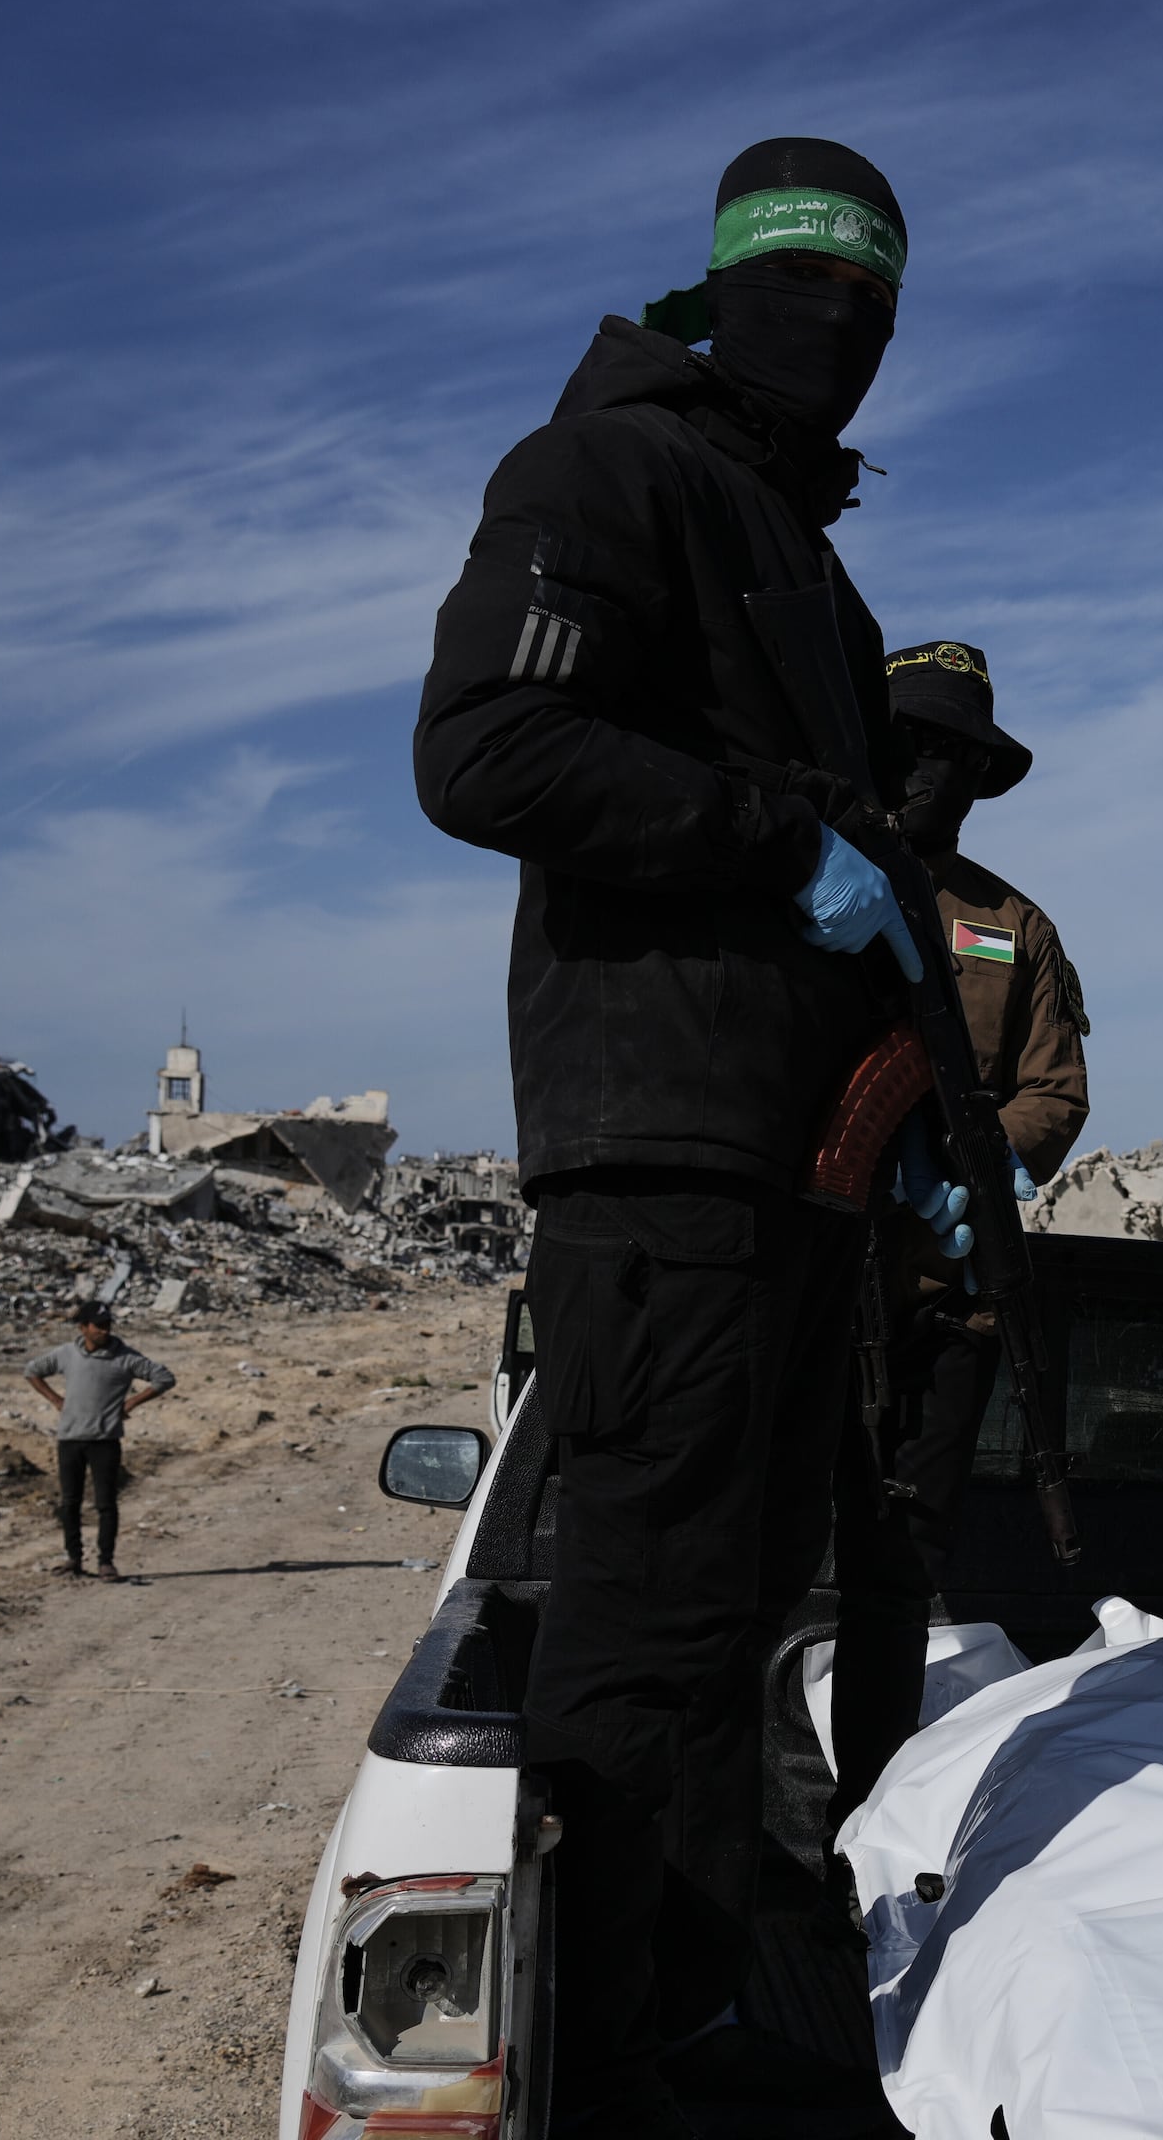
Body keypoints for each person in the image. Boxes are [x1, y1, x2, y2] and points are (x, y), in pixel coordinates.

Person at [410, 135, 963, 2138]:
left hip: (787, 1161)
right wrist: (778, 849)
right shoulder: (607, 473)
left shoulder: (797, 548)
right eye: (817, 290)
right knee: (646, 1632)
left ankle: (695, 2015)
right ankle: (606, 2067)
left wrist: (898, 1100)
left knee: (734, 1616)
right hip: (666, 1149)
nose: (848, 334)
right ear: (724, 285)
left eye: (880, 307)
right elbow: (486, 747)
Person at [822, 639, 1092, 1831]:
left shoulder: (1012, 925)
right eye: (915, 743)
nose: (936, 773)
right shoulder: (809, 884)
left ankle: (863, 1818)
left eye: (961, 756)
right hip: (810, 1282)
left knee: (893, 1572)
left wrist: (978, 1171)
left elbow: (1056, 1089)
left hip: (937, 1297)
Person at [19, 1300, 173, 1578]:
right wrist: (55, 1399)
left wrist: (132, 1403)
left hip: (105, 1440)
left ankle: (105, 1560)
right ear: (83, 1328)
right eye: (98, 1326)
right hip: (70, 1439)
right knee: (70, 1503)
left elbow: (164, 1378)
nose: (104, 1331)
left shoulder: (125, 1357)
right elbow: (32, 1371)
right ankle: (74, 1558)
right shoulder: (67, 1354)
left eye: (107, 1325)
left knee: (106, 1503)